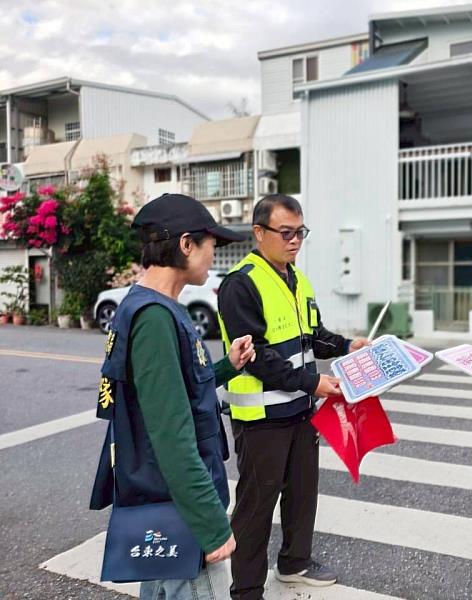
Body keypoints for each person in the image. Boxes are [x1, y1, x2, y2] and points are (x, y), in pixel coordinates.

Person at [89, 193, 257, 599]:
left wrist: (226, 367)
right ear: (185, 244)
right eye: (210, 243)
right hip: (181, 511)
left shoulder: (152, 306)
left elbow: (178, 390)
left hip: (166, 504)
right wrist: (211, 526)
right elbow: (171, 434)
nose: (214, 252)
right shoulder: (155, 319)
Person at [217, 193, 369, 600]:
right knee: (256, 506)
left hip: (301, 411)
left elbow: (312, 336)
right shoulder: (240, 284)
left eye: (300, 232)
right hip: (262, 418)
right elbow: (257, 358)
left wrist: (346, 346)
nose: (295, 240)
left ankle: (294, 563)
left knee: (302, 492)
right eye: (286, 232)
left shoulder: (298, 280)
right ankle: (247, 589)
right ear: (258, 232)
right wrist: (313, 383)